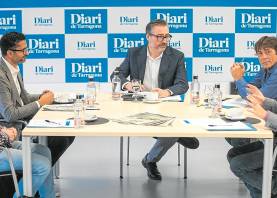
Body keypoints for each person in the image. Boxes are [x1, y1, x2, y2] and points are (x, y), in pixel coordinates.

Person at [110, 19, 199, 180]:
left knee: (171, 130)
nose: (164, 40)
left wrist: (166, 92)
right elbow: (117, 76)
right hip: (138, 104)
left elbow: (182, 85)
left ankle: (150, 160)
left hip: (164, 105)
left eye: (167, 36)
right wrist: (128, 85)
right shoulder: (133, 53)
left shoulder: (177, 56)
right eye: (159, 36)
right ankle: (178, 135)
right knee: (173, 131)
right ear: (148, 37)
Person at [0, 31, 75, 166]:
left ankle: (38, 173)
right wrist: (40, 102)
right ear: (10, 53)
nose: (27, 53)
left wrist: (41, 97)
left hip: (23, 122)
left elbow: (23, 98)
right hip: (12, 130)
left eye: (26, 49)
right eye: (23, 50)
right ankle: (37, 171)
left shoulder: (13, 68)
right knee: (61, 139)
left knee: (67, 134)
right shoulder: (1, 75)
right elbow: (10, 114)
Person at [227, 84, 277, 198]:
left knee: (238, 165)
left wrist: (266, 115)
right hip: (274, 143)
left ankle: (272, 188)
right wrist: (264, 101)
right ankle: (261, 194)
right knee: (233, 154)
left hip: (274, 147)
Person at [228, 35, 277, 147]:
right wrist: (239, 77)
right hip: (268, 117)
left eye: (268, 52)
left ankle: (266, 160)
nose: (264, 57)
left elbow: (255, 99)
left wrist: (238, 78)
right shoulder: (265, 69)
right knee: (232, 135)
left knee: (237, 139)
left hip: (272, 122)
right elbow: (250, 89)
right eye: (260, 53)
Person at [0, 125, 55, 198]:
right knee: (42, 166)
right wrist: (5, 135)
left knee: (44, 151)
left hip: (5, 143)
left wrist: (4, 130)